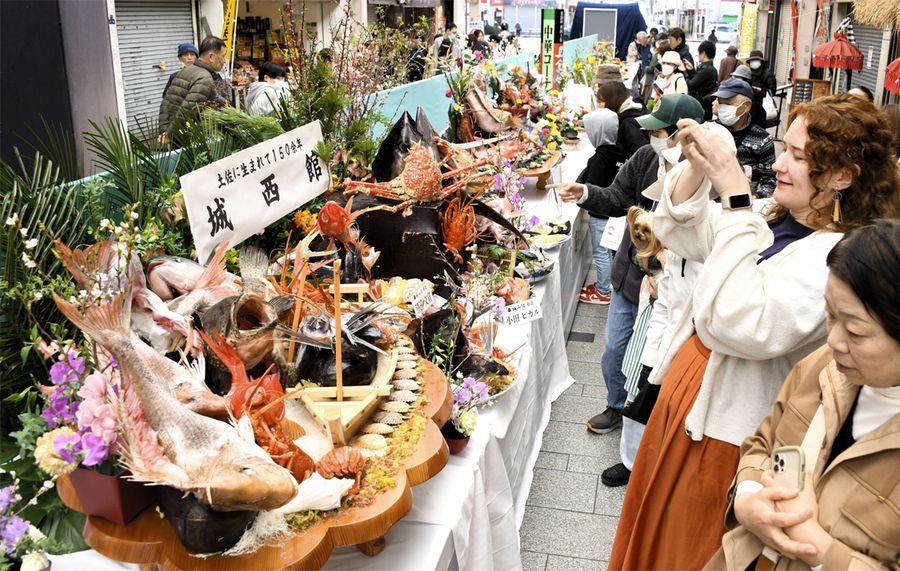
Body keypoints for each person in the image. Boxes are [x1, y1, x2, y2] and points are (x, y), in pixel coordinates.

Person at [608, 93, 900, 570]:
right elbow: (683, 232)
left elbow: (737, 322)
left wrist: (736, 195)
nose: (781, 163)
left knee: (684, 549)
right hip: (690, 402)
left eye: (800, 158)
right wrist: (702, 168)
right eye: (785, 148)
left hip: (726, 432)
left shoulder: (837, 257)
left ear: (843, 177)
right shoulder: (778, 215)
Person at [706, 220, 900, 570]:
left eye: (855, 331)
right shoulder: (823, 367)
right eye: (829, 315)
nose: (834, 341)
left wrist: (823, 551)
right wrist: (747, 500)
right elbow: (763, 443)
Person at [549, 94, 706, 436]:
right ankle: (616, 404)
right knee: (614, 350)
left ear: (684, 135)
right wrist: (585, 193)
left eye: (660, 131)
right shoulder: (646, 156)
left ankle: (649, 418)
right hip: (630, 272)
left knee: (655, 355)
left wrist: (664, 269)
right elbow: (619, 197)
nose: (653, 137)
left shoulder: (705, 178)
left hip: (671, 285)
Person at [576, 109, 627, 305]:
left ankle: (603, 291)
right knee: (613, 251)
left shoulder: (599, 158)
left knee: (601, 252)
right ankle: (611, 285)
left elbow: (591, 186)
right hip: (618, 213)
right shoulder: (621, 152)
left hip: (601, 216)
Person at [712, 78, 776, 197]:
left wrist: (756, 197)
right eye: (720, 103)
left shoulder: (763, 140)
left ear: (746, 106)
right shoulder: (711, 131)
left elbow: (769, 180)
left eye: (728, 104)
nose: (722, 108)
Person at [158, 36, 228, 137]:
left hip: (174, 131)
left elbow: (166, 104)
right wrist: (169, 135)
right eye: (223, 56)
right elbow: (187, 111)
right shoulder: (204, 78)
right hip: (184, 135)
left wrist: (164, 130)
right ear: (211, 57)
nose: (224, 60)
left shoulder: (187, 70)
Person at [597, 81, 650, 157]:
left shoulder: (628, 122)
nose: (598, 106)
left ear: (612, 101)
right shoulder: (628, 115)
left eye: (600, 102)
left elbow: (643, 155)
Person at [686, 40, 718, 120]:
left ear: (703, 53)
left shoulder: (706, 69)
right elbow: (698, 81)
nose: (698, 55)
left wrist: (684, 73)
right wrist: (691, 70)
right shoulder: (710, 68)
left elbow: (691, 85)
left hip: (701, 107)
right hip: (705, 106)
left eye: (698, 53)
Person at [747, 49, 777, 128]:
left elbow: (772, 91)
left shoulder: (767, 73)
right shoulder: (748, 72)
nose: (754, 63)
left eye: (756, 60)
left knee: (759, 129)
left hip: (761, 108)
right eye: (752, 60)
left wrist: (760, 90)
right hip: (749, 107)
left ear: (761, 61)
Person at [641, 37, 668, 103]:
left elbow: (652, 67)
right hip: (656, 82)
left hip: (658, 85)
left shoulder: (659, 57)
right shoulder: (658, 57)